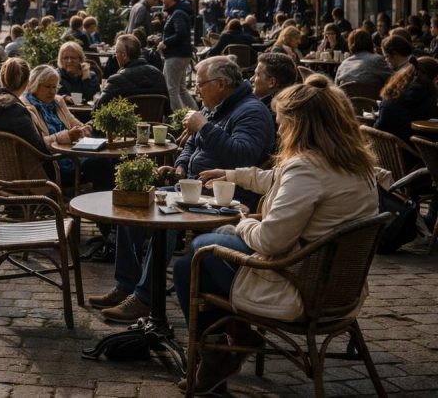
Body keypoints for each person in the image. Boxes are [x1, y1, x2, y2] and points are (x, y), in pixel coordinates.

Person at [174, 76, 378, 394]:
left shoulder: (307, 168)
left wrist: (239, 219)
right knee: (208, 247)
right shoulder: (351, 162)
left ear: (300, 125)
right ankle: (234, 339)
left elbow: (270, 241)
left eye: (282, 123)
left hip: (299, 286)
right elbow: (278, 178)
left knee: (196, 255)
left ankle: (220, 352)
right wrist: (232, 174)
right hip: (338, 285)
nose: (279, 131)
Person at [94, 56, 274, 322]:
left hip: (226, 195)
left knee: (165, 217)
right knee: (133, 202)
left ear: (222, 83)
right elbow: (192, 144)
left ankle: (145, 299)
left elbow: (242, 155)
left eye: (201, 84)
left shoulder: (251, 112)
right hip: (191, 187)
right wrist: (179, 166)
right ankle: (126, 283)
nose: (197, 90)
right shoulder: (217, 106)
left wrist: (204, 126)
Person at [21, 65, 103, 188]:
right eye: (48, 87)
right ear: (35, 86)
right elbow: (38, 144)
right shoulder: (27, 108)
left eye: (54, 87)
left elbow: (76, 123)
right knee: (100, 163)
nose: (52, 91)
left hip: (72, 155)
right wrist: (67, 136)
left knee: (108, 159)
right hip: (53, 164)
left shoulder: (58, 102)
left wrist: (84, 129)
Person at [375, 56, 438, 144]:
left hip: (380, 142)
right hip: (405, 147)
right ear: (432, 76)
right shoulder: (423, 91)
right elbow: (427, 117)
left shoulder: (396, 86)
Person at [94, 34, 168, 108]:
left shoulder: (117, 80)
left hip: (127, 120)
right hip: (154, 119)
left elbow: (97, 109)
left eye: (116, 53)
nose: (115, 56)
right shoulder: (159, 75)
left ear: (124, 55)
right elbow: (168, 110)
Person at [158, 0, 198, 111]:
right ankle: (196, 114)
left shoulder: (177, 13)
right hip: (181, 55)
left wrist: (165, 42)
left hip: (175, 55)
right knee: (180, 88)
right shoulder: (178, 12)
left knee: (172, 89)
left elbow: (181, 33)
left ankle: (180, 120)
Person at [250, 52, 300, 118]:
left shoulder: (261, 114)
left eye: (257, 75)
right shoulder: (294, 107)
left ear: (272, 82)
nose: (251, 79)